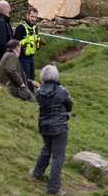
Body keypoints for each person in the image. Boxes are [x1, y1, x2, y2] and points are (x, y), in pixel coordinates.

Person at [32, 65, 73, 195]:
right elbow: (69, 106)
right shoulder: (62, 91)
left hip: (44, 125)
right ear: (56, 76)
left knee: (46, 149)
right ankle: (53, 188)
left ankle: (37, 173)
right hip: (60, 127)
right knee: (58, 156)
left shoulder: (38, 91)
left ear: (43, 76)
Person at [14, 7, 43, 91]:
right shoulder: (20, 27)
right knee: (25, 76)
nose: (34, 19)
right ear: (27, 15)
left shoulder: (35, 28)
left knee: (32, 76)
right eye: (32, 16)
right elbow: (15, 43)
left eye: (35, 17)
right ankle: (23, 94)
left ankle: (31, 94)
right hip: (22, 58)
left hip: (31, 57)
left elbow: (35, 42)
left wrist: (39, 44)